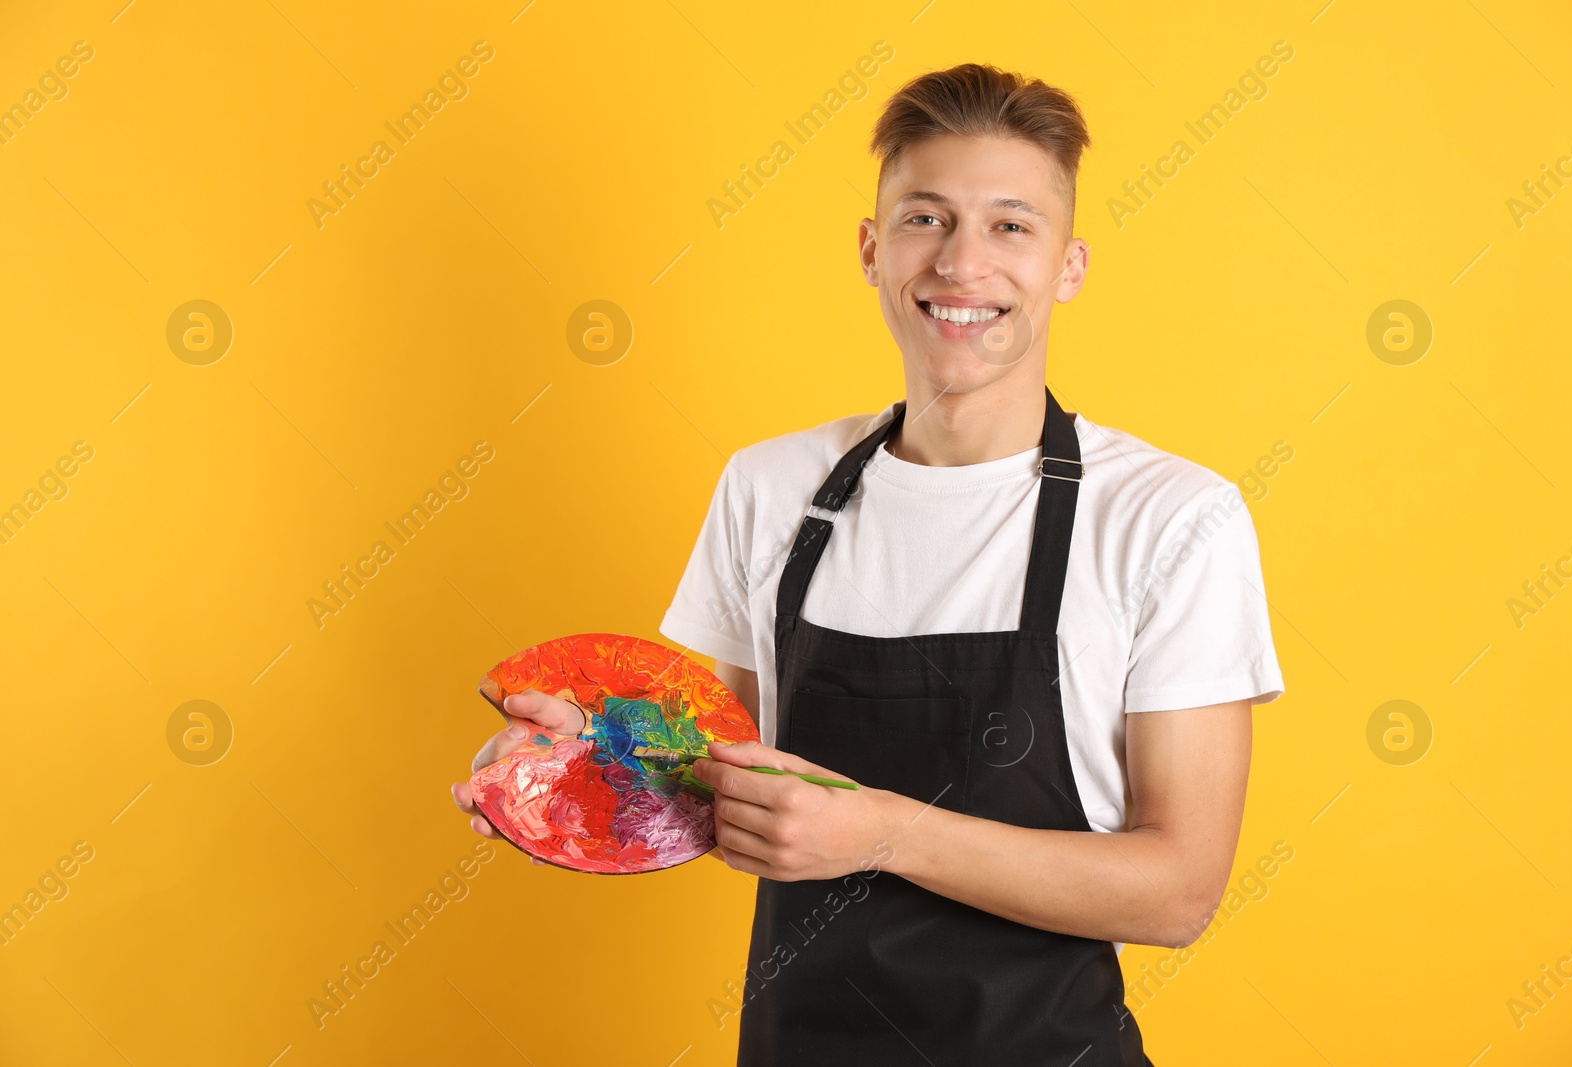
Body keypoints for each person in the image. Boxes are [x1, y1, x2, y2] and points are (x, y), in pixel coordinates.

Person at [451, 61, 1284, 1066]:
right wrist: (579, 763)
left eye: (1010, 225)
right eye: (925, 218)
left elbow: (1179, 889)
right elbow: (716, 777)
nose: (962, 263)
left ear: (1067, 265)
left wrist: (881, 832)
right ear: (871, 246)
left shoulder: (1167, 518)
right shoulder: (770, 488)